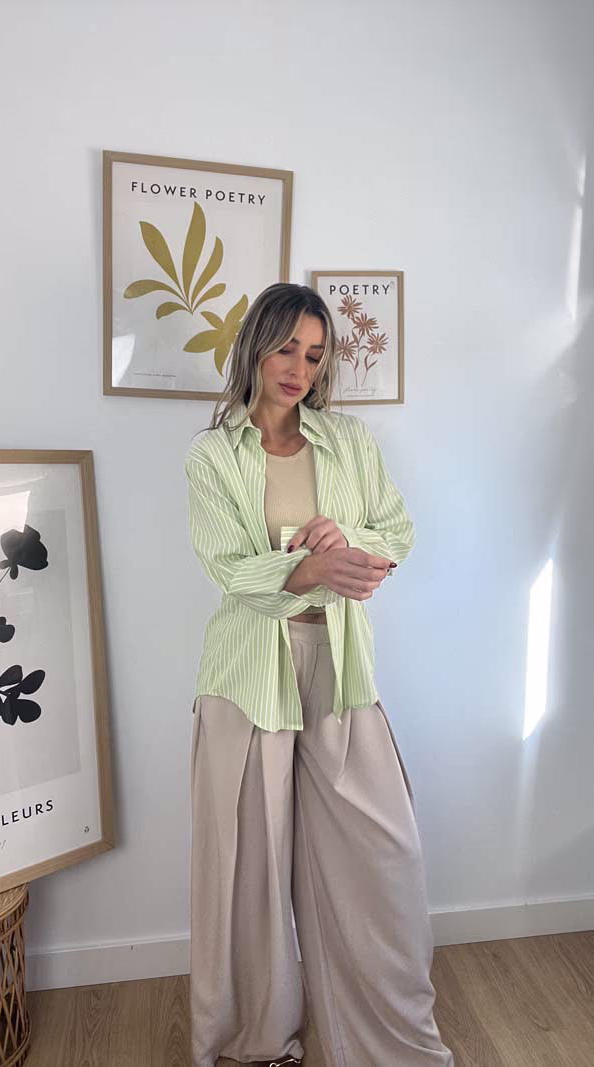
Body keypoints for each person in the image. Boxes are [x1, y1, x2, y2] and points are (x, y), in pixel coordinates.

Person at [185, 282, 454, 1067]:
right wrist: (309, 565)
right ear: (255, 347)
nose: (298, 369)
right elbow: (229, 568)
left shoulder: (349, 442)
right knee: (249, 872)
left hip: (339, 665)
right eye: (285, 348)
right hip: (246, 672)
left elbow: (395, 531)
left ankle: (382, 1042)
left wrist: (352, 543)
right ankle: (256, 1042)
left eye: (313, 354)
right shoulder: (213, 455)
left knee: (382, 856)